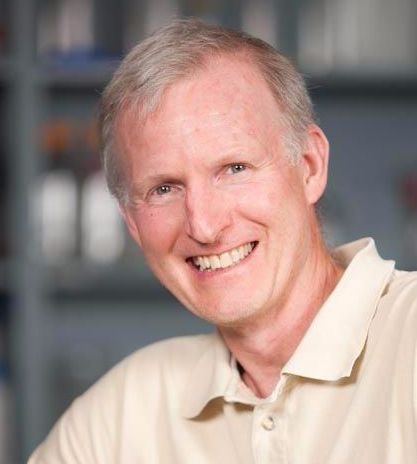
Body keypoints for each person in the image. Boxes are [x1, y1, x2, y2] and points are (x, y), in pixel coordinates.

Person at [29, 18, 417, 464]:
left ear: (309, 166)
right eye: (164, 189)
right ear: (131, 222)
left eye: (234, 169)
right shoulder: (117, 417)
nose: (205, 226)